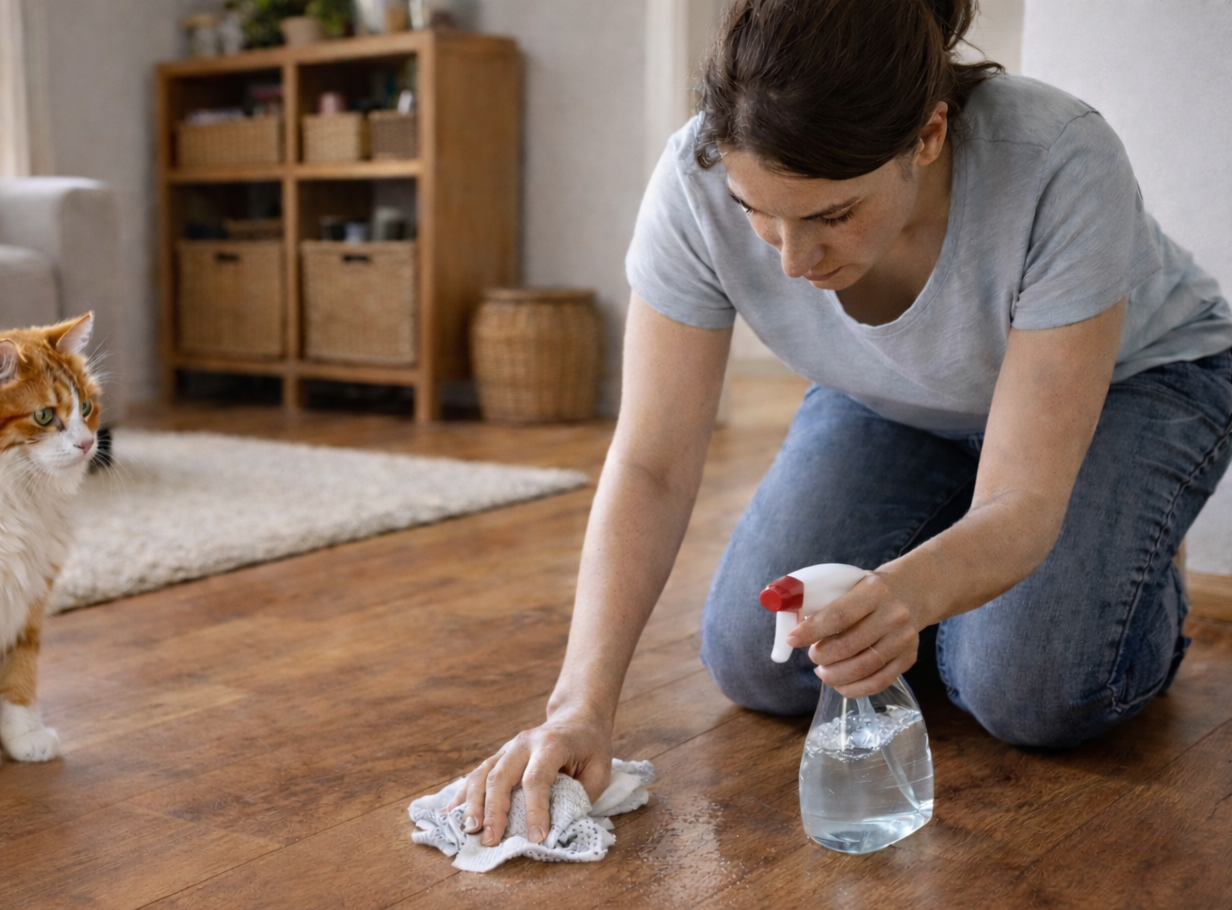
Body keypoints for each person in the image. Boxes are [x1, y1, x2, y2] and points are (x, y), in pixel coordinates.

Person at [451, 0, 1232, 850]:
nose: (792, 261)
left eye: (832, 216)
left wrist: (908, 596)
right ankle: (989, 593)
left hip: (1138, 383)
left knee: (1028, 691)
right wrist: (581, 706)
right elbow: (650, 464)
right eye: (762, 212)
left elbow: (1022, 493)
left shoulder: (1058, 161)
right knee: (759, 658)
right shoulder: (694, 181)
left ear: (928, 136)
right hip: (889, 397)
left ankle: (1126, 573)